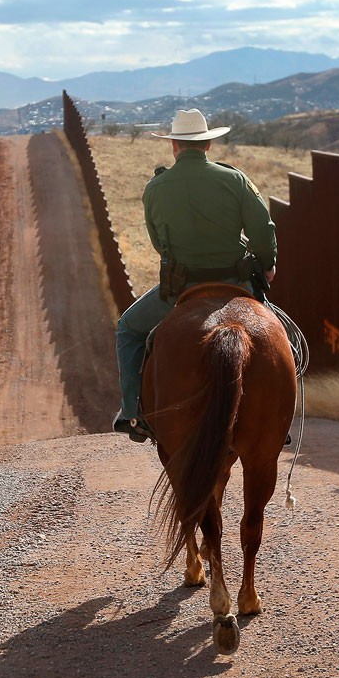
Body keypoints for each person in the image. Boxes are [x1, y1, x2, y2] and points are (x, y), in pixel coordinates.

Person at [113, 109, 278, 442]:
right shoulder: (235, 179)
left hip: (179, 290)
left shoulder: (156, 187)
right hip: (237, 284)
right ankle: (278, 416)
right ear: (208, 144)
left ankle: (132, 412)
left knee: (128, 329)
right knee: (279, 338)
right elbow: (262, 229)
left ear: (174, 145)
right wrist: (268, 262)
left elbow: (159, 243)